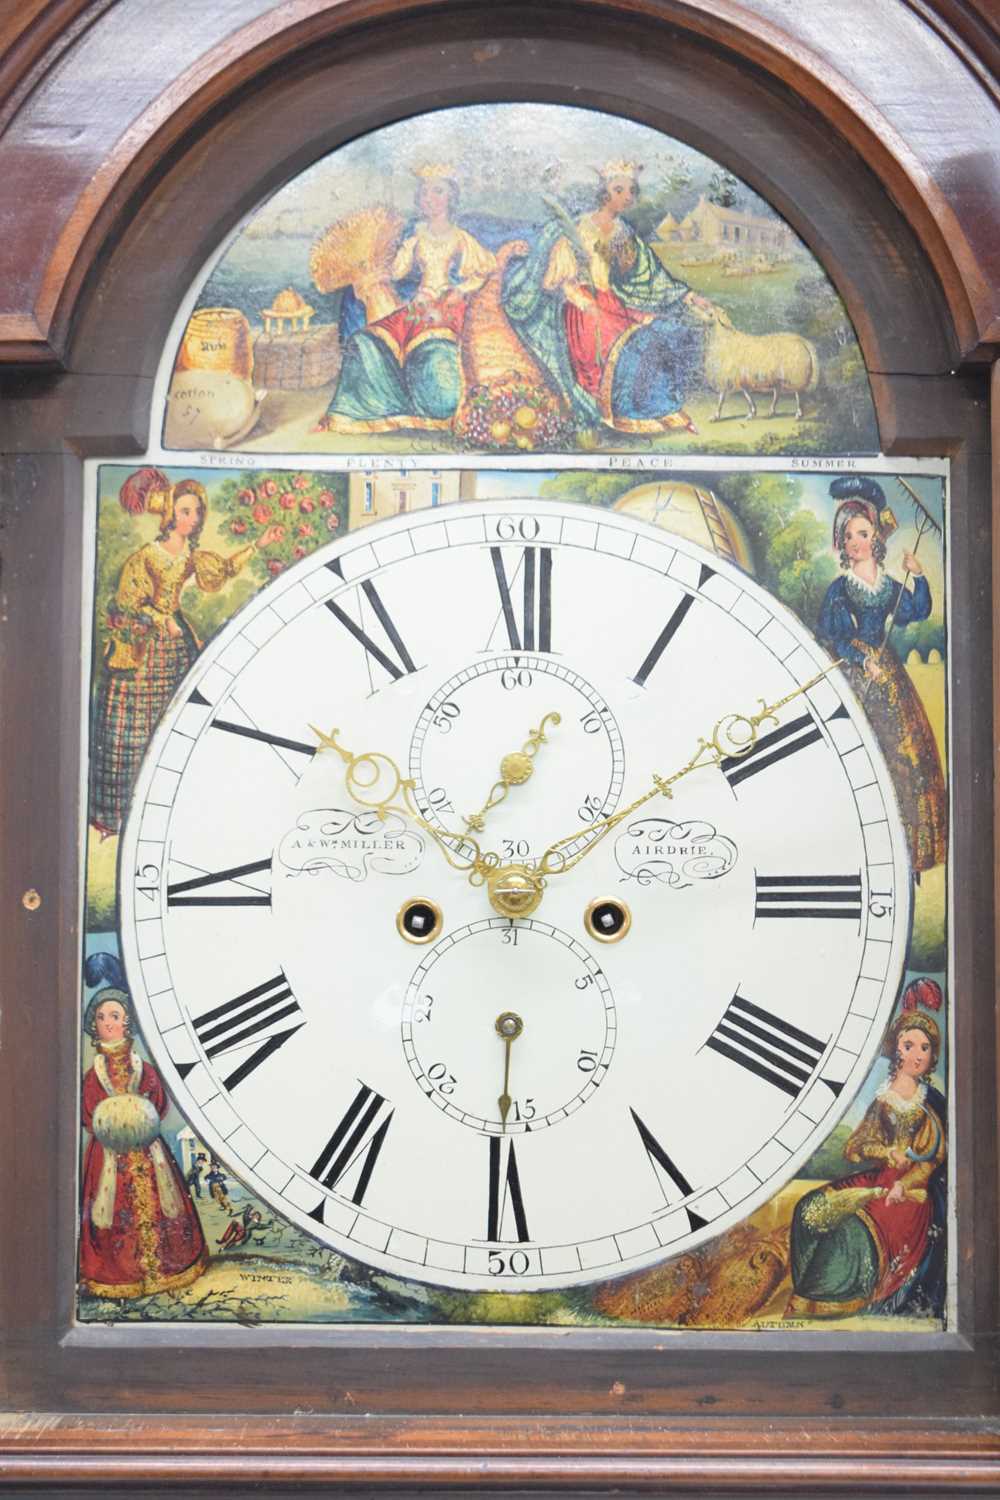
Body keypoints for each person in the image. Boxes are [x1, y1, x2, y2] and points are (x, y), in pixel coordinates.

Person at [90, 468, 283, 835]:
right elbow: (126, 603)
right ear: (169, 515)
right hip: (143, 650)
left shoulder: (192, 555)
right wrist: (160, 620)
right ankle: (119, 821)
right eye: (185, 511)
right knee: (137, 727)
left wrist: (258, 545)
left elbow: (222, 571)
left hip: (176, 649)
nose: (192, 519)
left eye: (196, 512)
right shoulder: (146, 555)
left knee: (179, 723)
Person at [504, 161, 705, 436]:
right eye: (618, 190)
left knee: (659, 334)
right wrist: (586, 303)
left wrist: (690, 296)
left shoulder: (623, 233)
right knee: (632, 349)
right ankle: (625, 414)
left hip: (614, 303)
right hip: (583, 310)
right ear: (603, 193)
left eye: (631, 191)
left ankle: (662, 413)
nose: (626, 197)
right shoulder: (578, 230)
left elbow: (651, 275)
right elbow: (557, 282)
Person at [786, 982, 947, 1320]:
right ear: (896, 1050)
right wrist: (888, 1153)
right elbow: (856, 1147)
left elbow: (934, 1157)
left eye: (926, 1048)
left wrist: (907, 1181)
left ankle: (827, 1296)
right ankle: (808, 1292)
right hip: (882, 1179)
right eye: (909, 1045)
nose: (917, 1054)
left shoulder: (931, 1103)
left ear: (933, 1057)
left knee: (851, 1231)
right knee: (809, 1209)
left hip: (910, 1195)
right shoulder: (882, 1098)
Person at [817, 475, 947, 873]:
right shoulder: (840, 589)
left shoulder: (890, 585)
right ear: (841, 545)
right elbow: (832, 638)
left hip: (889, 678)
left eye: (863, 533)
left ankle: (911, 852)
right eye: (849, 536)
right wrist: (860, 660)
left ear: (875, 537)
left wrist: (919, 574)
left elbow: (915, 612)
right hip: (858, 681)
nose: (857, 542)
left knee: (907, 754)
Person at [322, 164, 497, 434]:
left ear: (451, 197)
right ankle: (366, 410)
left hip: (448, 309)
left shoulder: (461, 237)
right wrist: (369, 270)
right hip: (417, 307)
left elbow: (485, 270)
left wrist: (459, 291)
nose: (429, 198)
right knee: (364, 341)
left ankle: (426, 405)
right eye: (425, 192)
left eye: (437, 191)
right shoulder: (415, 237)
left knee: (436, 360)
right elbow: (395, 272)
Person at [79, 984, 207, 1299]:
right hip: (109, 1155)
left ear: (127, 1023)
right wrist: (110, 1120)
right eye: (101, 1017)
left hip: (148, 1150)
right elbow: (87, 1113)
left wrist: (140, 1115)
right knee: (111, 1212)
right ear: (94, 1027)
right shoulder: (93, 1076)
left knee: (163, 1205)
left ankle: (167, 1269)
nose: (107, 1022)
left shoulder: (143, 1068)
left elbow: (159, 1103)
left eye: (115, 1015)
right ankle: (120, 1275)